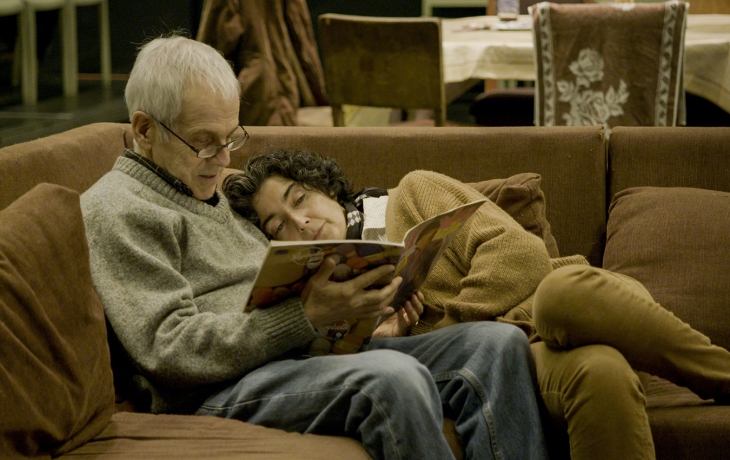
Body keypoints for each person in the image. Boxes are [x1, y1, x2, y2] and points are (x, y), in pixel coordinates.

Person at [79, 34, 549, 460]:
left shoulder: (206, 189)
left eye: (230, 139)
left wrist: (352, 319)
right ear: (143, 129)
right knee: (391, 380)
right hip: (216, 388)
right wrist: (305, 316)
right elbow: (168, 351)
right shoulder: (117, 209)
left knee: (496, 344)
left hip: (293, 362)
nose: (222, 160)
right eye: (204, 143)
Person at [223, 147, 730, 460]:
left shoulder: (412, 194)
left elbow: (520, 254)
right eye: (278, 226)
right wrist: (392, 342)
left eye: (298, 198)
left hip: (586, 311)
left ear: (324, 187)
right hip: (532, 362)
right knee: (601, 374)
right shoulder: (321, 297)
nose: (301, 222)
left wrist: (452, 321)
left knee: (558, 294)